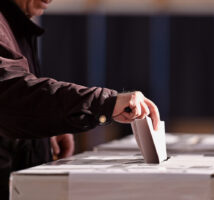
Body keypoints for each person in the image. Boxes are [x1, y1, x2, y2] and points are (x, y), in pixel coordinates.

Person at [0, 0, 160, 198]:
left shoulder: (15, 23)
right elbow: (10, 97)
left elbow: (18, 108)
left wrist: (43, 131)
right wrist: (105, 103)